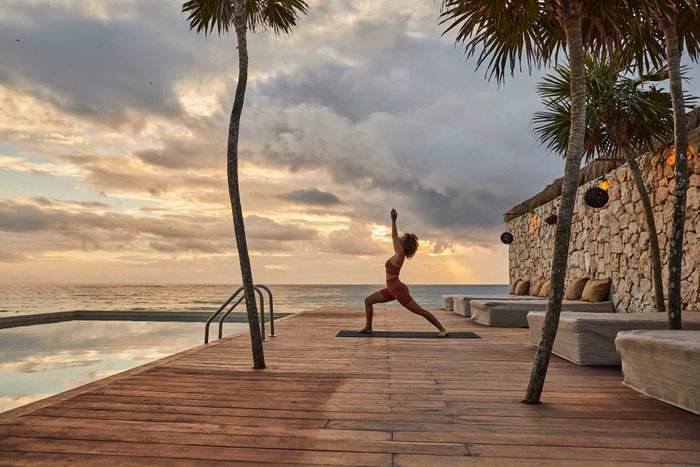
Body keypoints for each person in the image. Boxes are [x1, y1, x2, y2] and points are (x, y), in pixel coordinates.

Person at [360, 208, 448, 337]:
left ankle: (442, 329)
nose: (399, 237)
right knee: (368, 301)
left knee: (419, 311)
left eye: (402, 237)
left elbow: (394, 236)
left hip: (398, 289)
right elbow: (395, 238)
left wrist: (393, 221)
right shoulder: (397, 255)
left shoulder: (400, 254)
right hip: (392, 289)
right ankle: (368, 327)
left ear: (403, 243)